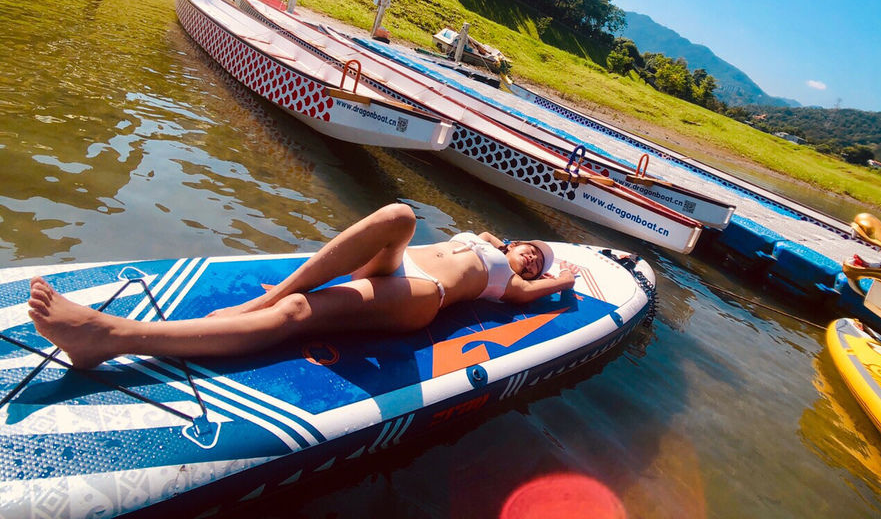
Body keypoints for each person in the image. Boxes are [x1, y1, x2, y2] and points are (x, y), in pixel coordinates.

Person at [27, 204, 576, 369]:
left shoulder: (508, 282)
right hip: (395, 266)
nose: (530, 259)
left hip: (420, 295)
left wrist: (561, 276)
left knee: (297, 314)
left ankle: (109, 337)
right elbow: (492, 238)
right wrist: (491, 240)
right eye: (531, 249)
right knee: (400, 215)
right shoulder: (485, 242)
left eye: (536, 263)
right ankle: (263, 299)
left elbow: (542, 291)